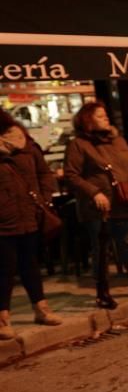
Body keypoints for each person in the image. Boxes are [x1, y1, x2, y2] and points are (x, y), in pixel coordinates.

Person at [63, 102, 128, 309]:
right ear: (87, 120)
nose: (106, 119)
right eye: (100, 116)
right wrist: (94, 192)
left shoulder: (118, 140)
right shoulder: (79, 144)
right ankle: (102, 291)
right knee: (101, 249)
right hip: (98, 207)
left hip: (125, 201)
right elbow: (71, 175)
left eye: (106, 115)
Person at [0, 109, 61, 338]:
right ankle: (3, 318)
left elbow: (44, 173)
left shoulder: (24, 142)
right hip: (3, 220)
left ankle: (41, 309)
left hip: (29, 215)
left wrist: (44, 199)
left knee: (30, 265)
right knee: (4, 269)